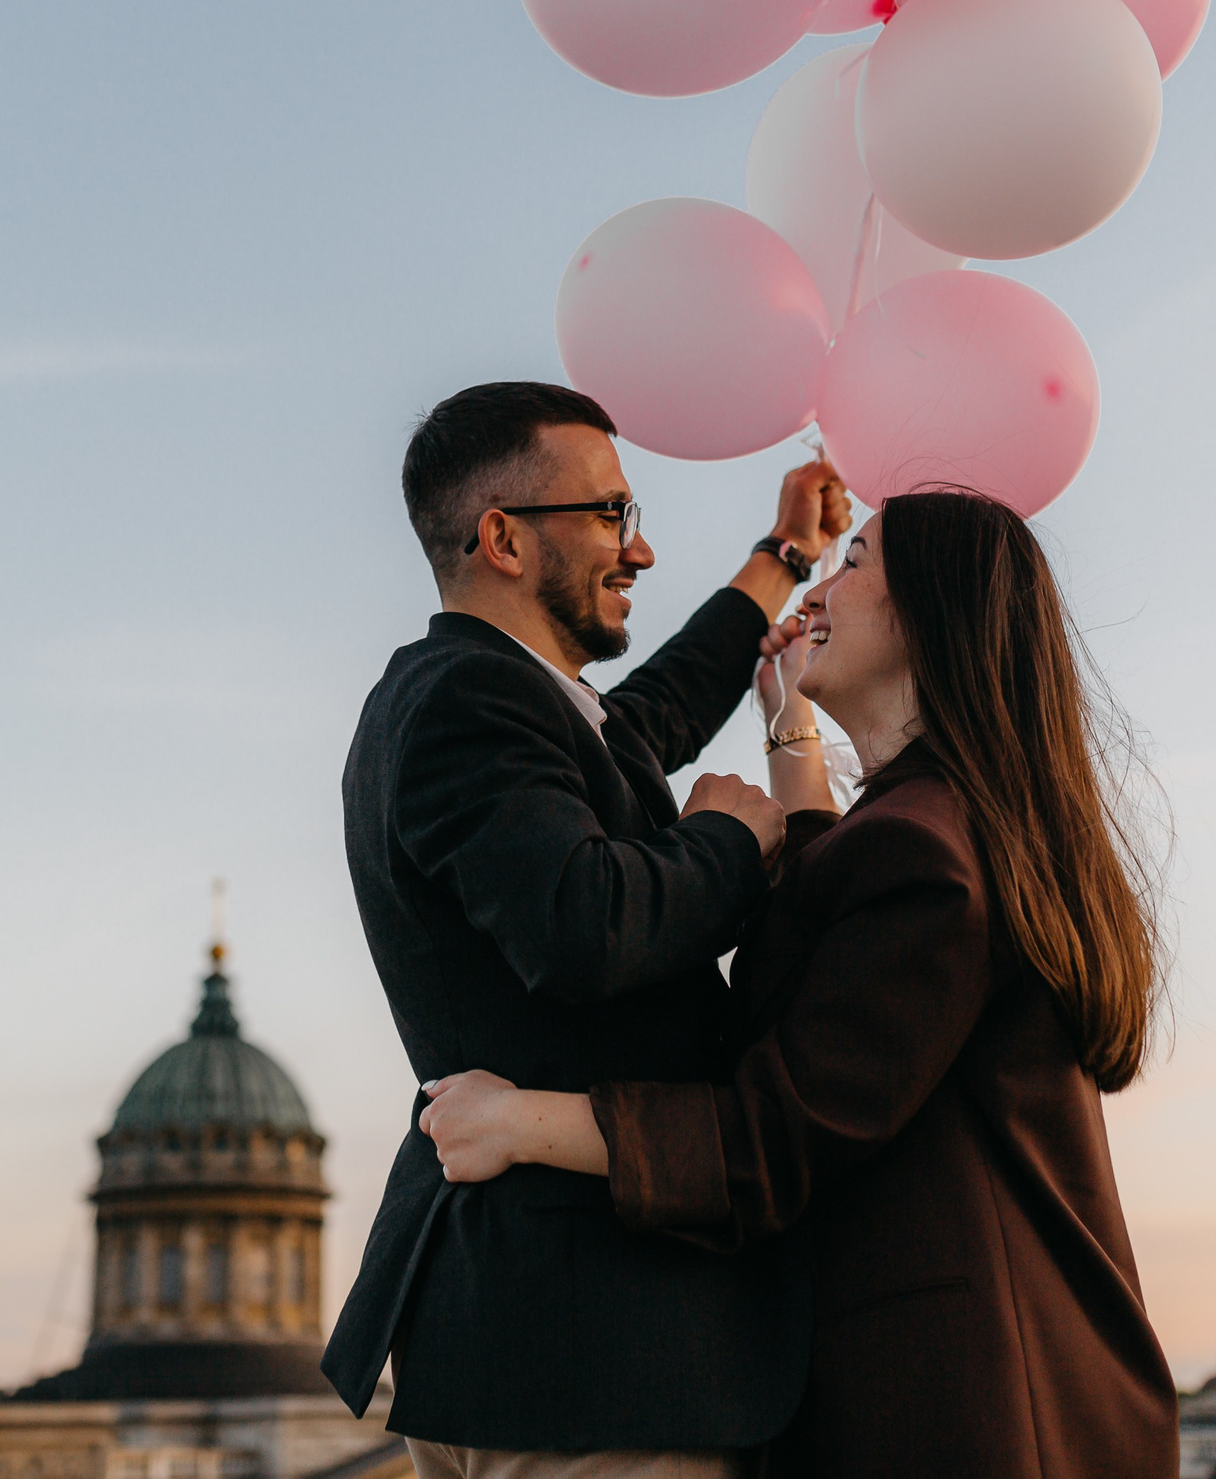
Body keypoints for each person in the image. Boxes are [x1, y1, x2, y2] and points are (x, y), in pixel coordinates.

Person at [419, 488, 1181, 1479]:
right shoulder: (949, 829)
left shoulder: (923, 854)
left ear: (927, 616)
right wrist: (788, 739)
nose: (820, 592)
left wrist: (518, 1122)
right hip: (1007, 1384)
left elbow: (776, 1139)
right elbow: (841, 919)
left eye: (853, 563)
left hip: (970, 1409)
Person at [323, 381, 852, 1477]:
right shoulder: (468, 699)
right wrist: (729, 842)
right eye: (611, 514)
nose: (641, 550)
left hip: (541, 1340)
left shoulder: (513, 699)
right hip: (586, 1355)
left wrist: (782, 558)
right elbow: (581, 924)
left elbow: (649, 714)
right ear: (503, 538)